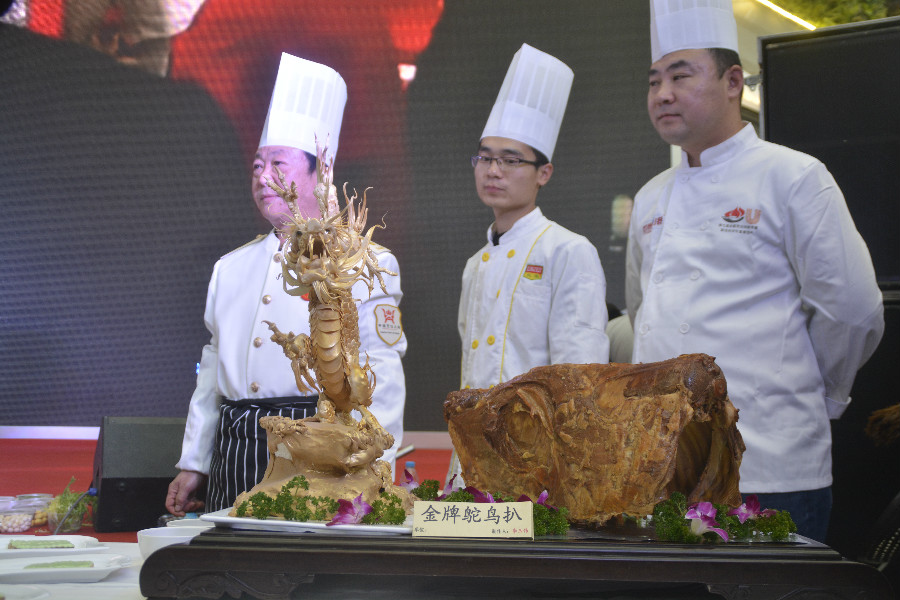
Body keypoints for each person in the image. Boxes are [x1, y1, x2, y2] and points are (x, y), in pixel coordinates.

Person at [626, 0, 884, 542]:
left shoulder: (793, 176)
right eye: (654, 82)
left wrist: (818, 397)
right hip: (665, 472)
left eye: (681, 75)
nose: (663, 94)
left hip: (769, 466)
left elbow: (853, 310)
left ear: (732, 81)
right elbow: (641, 312)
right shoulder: (651, 197)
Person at [166, 53, 407, 515]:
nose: (261, 177)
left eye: (277, 162)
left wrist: (379, 466)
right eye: (256, 165)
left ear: (324, 169)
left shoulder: (366, 261)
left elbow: (382, 371)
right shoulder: (229, 267)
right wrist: (194, 461)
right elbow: (212, 372)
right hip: (235, 447)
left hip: (317, 445)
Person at [447, 43, 610, 486]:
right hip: (472, 458)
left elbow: (579, 378)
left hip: (539, 461)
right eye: (485, 157)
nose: (493, 170)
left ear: (544, 173)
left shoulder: (568, 251)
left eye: (511, 159)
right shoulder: (475, 264)